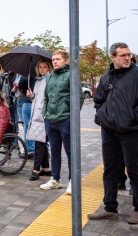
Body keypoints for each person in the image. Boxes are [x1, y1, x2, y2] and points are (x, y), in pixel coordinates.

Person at [87, 43, 138, 225]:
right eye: (123, 55)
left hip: (131, 131)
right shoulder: (106, 77)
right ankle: (110, 208)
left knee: (134, 170)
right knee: (110, 170)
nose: (127, 58)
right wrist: (103, 117)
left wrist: (132, 117)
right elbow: (99, 100)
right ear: (113, 57)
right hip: (109, 132)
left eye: (129, 55)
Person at [40, 50, 83, 195]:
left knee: (71, 152)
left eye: (58, 59)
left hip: (65, 119)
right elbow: (46, 97)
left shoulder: (71, 75)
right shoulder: (50, 76)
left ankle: (73, 181)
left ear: (66, 60)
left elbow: (79, 98)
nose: (55, 62)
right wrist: (45, 113)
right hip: (51, 120)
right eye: (53, 59)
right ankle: (55, 179)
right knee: (54, 150)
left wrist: (72, 116)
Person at [26, 60, 52, 181]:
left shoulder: (50, 81)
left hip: (43, 116)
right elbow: (36, 99)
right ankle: (46, 169)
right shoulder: (37, 82)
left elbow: (48, 99)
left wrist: (42, 108)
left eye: (44, 67)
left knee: (39, 144)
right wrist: (31, 96)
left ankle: (35, 170)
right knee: (41, 143)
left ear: (49, 68)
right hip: (35, 116)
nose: (42, 69)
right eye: (40, 67)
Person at [18, 74, 37, 157]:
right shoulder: (43, 76)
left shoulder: (27, 75)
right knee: (39, 126)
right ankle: (43, 149)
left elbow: (20, 85)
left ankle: (30, 149)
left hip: (28, 102)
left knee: (28, 127)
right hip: (38, 103)